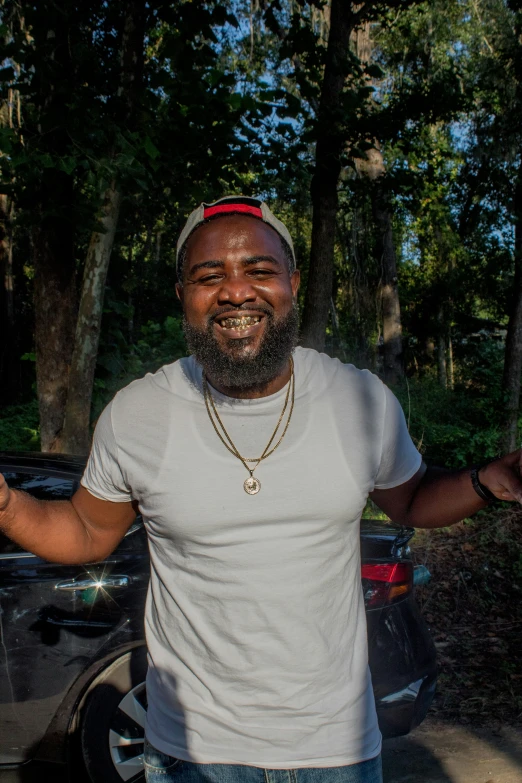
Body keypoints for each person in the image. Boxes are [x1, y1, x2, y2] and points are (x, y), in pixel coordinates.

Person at [1, 195, 522, 783]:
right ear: (184, 296)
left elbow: (412, 497)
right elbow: (87, 531)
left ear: (291, 285)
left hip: (338, 749)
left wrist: (490, 479)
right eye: (209, 276)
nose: (235, 292)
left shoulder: (360, 401)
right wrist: (7, 502)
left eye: (259, 270)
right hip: (190, 752)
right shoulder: (139, 413)